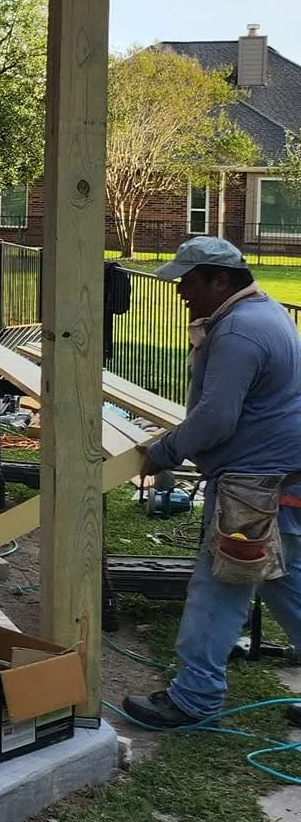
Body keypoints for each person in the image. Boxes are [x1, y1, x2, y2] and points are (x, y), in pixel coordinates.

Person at [123, 236, 301, 730]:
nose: (182, 292)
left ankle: (195, 699)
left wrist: (161, 452)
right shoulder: (262, 314)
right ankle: (196, 693)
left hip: (256, 485)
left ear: (221, 280)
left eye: (189, 281)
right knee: (286, 582)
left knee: (218, 586)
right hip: (281, 477)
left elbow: (217, 417)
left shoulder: (241, 331)